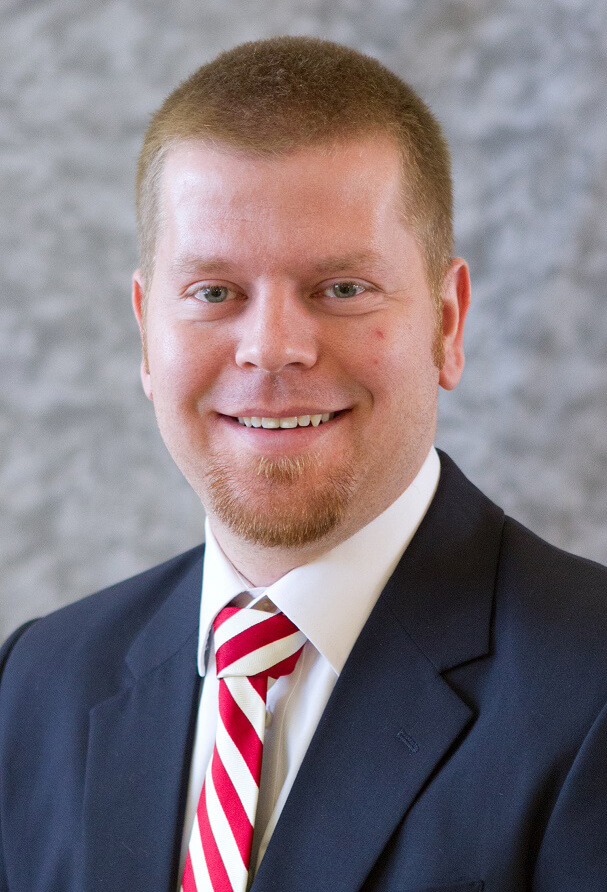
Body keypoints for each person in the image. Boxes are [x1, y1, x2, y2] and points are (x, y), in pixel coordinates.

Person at [1, 35, 606, 892]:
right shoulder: (36, 684)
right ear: (145, 331)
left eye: (342, 289)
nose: (272, 347)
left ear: (446, 322)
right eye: (214, 292)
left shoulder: (589, 688)